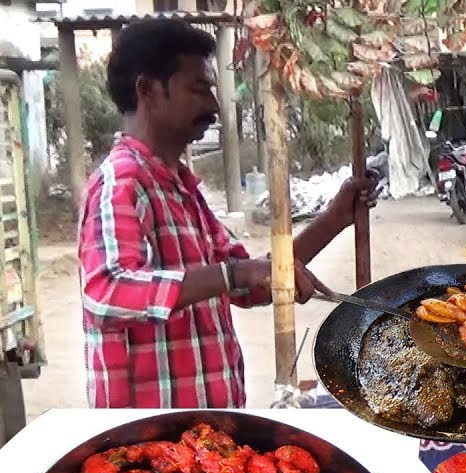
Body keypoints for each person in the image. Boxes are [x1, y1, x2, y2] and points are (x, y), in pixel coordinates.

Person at [79, 18, 376, 408]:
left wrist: (336, 217)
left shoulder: (181, 189)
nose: (214, 106)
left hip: (206, 431)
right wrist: (233, 273)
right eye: (199, 90)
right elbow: (107, 293)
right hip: (149, 439)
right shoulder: (122, 183)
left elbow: (251, 282)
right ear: (148, 91)